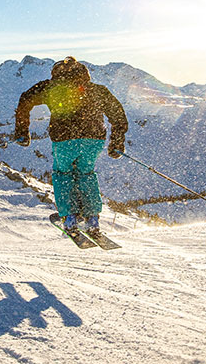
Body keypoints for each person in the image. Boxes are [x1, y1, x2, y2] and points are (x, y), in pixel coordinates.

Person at [14, 56, 128, 237]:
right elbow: (117, 113)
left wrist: (22, 131)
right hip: (94, 139)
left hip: (64, 138)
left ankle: (70, 217)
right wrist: (117, 141)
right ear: (84, 74)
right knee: (86, 173)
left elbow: (25, 99)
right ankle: (92, 218)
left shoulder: (49, 87)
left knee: (63, 173)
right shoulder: (97, 90)